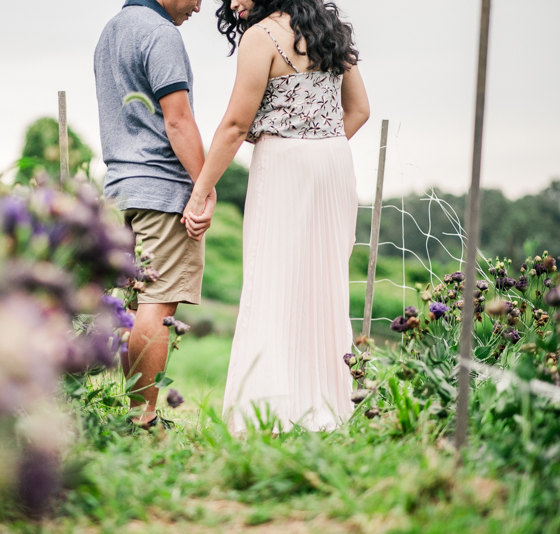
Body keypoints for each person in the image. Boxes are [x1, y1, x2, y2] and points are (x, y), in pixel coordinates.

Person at [181, 0, 370, 432]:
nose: (232, 3)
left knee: (272, 280)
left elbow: (233, 126)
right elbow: (359, 111)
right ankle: (329, 406)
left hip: (284, 165)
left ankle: (267, 410)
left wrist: (201, 190)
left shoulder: (260, 37)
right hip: (334, 164)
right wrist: (317, 139)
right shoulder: (332, 29)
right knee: (325, 285)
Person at [94, 0, 214, 429]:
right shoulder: (162, 34)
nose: (200, 5)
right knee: (156, 301)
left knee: (131, 303)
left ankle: (131, 415)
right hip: (161, 187)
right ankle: (142, 420)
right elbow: (177, 120)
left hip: (120, 188)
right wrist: (204, 186)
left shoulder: (111, 31)